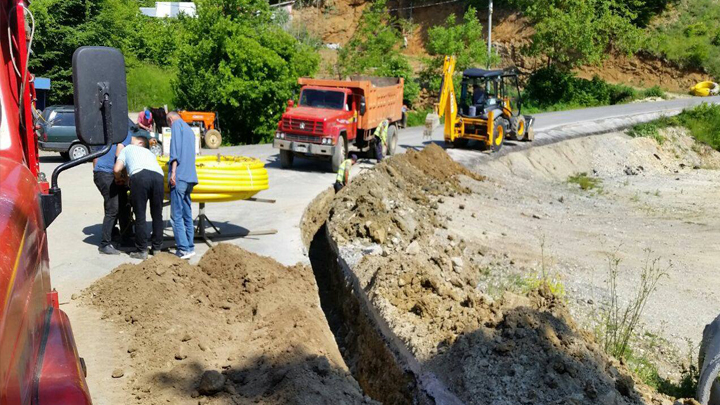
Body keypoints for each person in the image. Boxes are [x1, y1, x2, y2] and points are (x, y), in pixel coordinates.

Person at [113, 131, 165, 260]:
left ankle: (142, 250)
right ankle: (157, 248)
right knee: (157, 214)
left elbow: (116, 169)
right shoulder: (150, 153)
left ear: (140, 143)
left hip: (140, 177)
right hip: (158, 178)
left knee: (140, 214)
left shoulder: (128, 148)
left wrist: (120, 178)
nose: (131, 140)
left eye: (134, 139)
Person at [92, 120, 133, 254]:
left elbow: (97, 157)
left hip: (106, 172)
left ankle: (125, 238)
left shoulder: (114, 132)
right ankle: (105, 244)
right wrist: (122, 177)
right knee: (113, 208)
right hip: (107, 173)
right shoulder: (126, 134)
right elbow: (119, 155)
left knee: (124, 205)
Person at [166, 111, 199, 259]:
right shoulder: (190, 131)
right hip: (190, 177)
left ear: (170, 120)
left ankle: (183, 249)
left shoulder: (176, 126)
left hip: (179, 177)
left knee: (176, 216)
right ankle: (190, 246)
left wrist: (173, 172)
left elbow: (175, 151)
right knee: (187, 214)